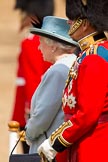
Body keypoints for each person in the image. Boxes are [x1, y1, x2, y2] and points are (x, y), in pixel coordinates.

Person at [37, 0, 108, 162]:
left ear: (85, 24)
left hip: (93, 145)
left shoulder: (94, 58)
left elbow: (87, 114)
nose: (69, 22)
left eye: (74, 19)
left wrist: (56, 142)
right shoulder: (89, 53)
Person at [25, 16, 79, 162]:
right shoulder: (71, 64)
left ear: (53, 46)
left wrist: (28, 133)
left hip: (49, 150)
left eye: (41, 42)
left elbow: (42, 115)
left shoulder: (58, 71)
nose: (39, 47)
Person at [11, 0, 54, 153]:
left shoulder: (30, 43)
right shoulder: (49, 41)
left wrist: (32, 115)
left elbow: (33, 80)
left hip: (31, 112)